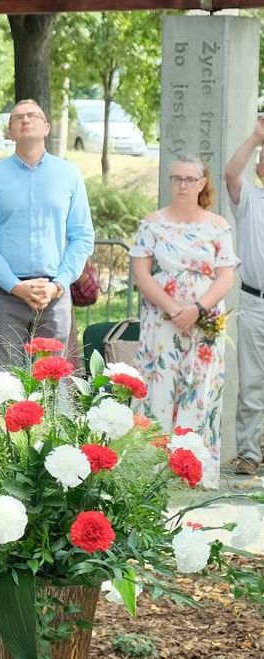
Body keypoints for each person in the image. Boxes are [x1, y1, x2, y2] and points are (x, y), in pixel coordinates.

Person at [131, 158, 236, 484]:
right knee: (158, 390)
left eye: (190, 179)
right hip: (162, 322)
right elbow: (141, 274)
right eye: (177, 178)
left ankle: (194, 474)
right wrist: (174, 309)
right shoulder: (151, 224)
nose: (182, 185)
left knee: (198, 392)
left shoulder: (217, 226)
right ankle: (149, 473)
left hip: (203, 323)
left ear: (203, 183)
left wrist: (197, 309)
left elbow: (225, 277)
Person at [0, 100, 94, 366]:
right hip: (6, 294)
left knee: (54, 384)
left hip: (54, 294)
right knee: (5, 384)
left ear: (46, 127)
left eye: (32, 116)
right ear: (10, 132)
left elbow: (82, 236)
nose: (25, 120)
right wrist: (15, 286)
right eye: (17, 118)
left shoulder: (69, 174)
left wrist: (57, 284)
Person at [224, 114, 264, 474]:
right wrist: (256, 137)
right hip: (255, 302)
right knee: (251, 380)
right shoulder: (250, 198)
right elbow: (232, 173)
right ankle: (250, 453)